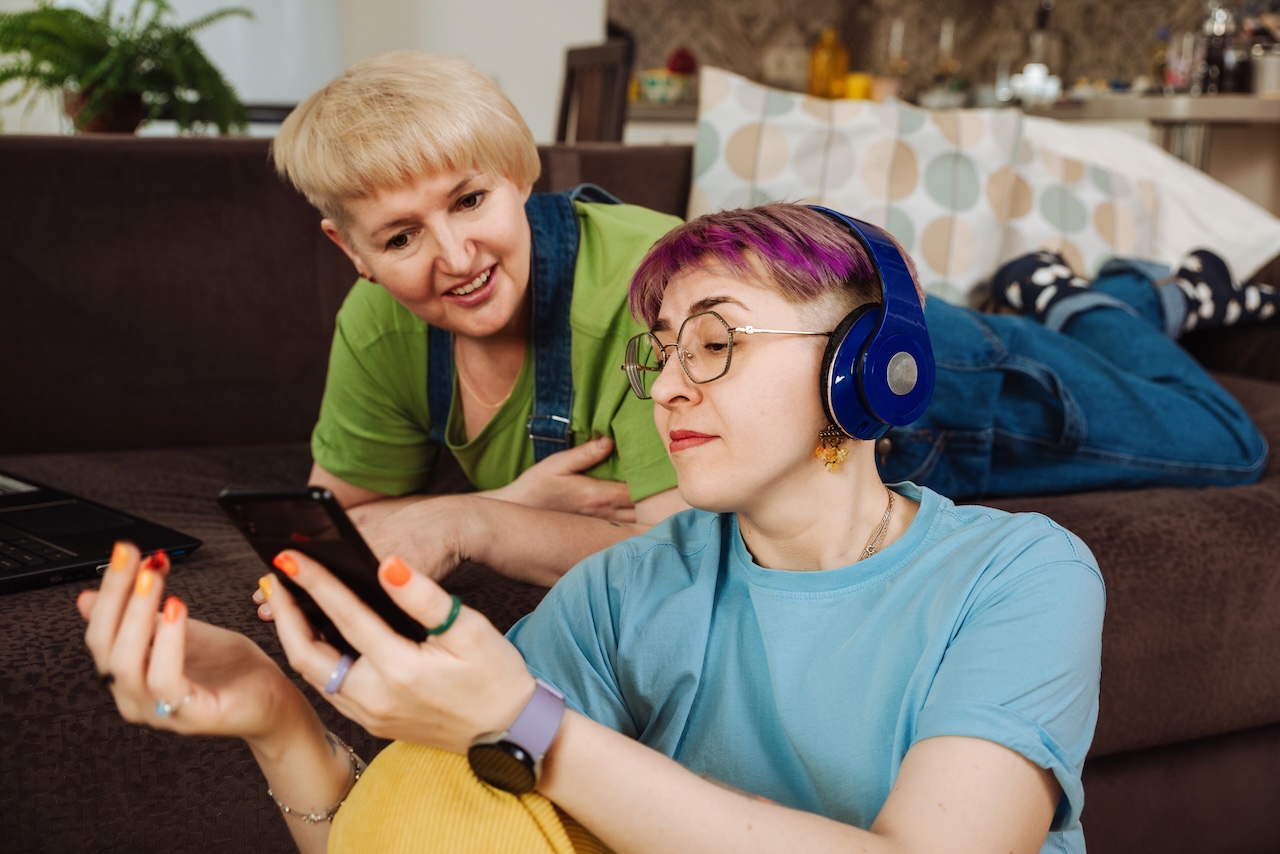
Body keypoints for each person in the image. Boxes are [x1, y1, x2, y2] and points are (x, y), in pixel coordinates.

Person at [80, 203, 1105, 853]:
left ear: (867, 366)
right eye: (657, 351)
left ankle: (1108, 306)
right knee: (445, 773)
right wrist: (275, 714)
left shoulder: (1017, 574)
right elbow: (429, 834)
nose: (663, 386)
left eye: (712, 342)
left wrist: (530, 725)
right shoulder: (628, 584)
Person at [266, 50, 688, 588]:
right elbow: (335, 526)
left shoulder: (651, 288)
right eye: (401, 237)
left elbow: (679, 561)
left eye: (469, 200)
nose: (458, 258)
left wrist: (471, 522)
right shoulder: (379, 323)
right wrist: (514, 503)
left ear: (517, 171)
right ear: (351, 251)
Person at [880, 246, 1272, 499]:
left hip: (911, 376)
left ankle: (1072, 291)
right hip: (902, 347)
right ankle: (1128, 295)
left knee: (1234, 446)